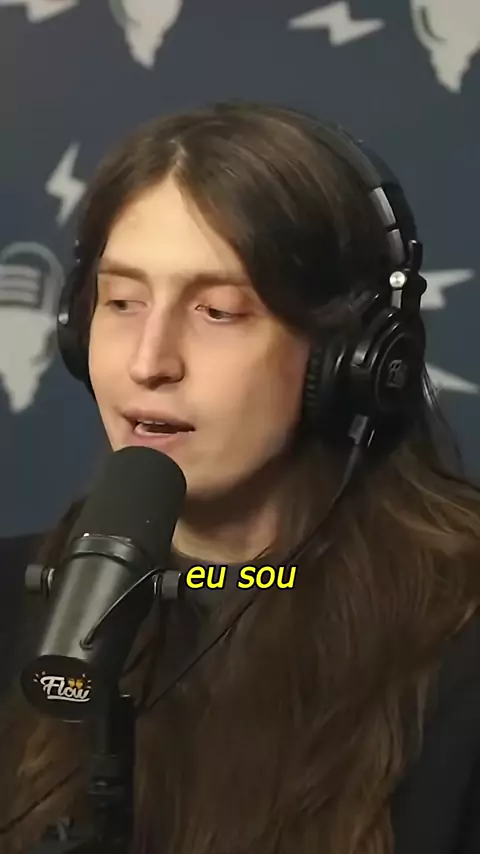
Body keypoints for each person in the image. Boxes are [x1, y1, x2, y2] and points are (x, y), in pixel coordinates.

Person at [1, 100, 480, 854]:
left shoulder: (460, 647)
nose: (148, 361)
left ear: (351, 361)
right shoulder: (14, 594)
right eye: (121, 302)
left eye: (218, 312)